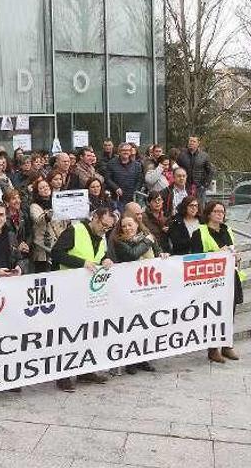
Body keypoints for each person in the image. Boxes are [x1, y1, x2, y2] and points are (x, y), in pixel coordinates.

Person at [50, 206, 116, 390]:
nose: (105, 229)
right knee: (66, 334)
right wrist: (81, 264)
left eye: (109, 227)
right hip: (67, 290)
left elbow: (98, 256)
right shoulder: (75, 230)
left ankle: (85, 370)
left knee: (86, 332)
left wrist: (105, 260)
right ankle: (62, 375)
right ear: (94, 218)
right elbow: (56, 253)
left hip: (88, 294)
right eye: (103, 225)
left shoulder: (101, 238)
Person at [112, 215, 167, 374]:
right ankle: (130, 361)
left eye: (130, 225)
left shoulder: (148, 238)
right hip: (131, 290)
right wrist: (148, 241)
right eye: (124, 226)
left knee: (147, 325)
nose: (127, 228)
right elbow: (132, 254)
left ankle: (144, 358)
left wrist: (163, 255)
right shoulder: (120, 242)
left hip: (150, 288)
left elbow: (158, 253)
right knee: (132, 326)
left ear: (137, 225)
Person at [190, 201, 244, 364]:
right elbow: (196, 257)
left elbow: (232, 248)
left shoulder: (227, 230)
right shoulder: (200, 232)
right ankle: (213, 349)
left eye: (222, 211)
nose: (220, 214)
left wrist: (236, 255)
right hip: (211, 281)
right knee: (214, 313)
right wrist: (217, 254)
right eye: (216, 211)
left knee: (230, 312)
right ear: (208, 214)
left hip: (230, 276)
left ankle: (227, 345)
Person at [29, 177, 70, 273]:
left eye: (47, 186)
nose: (45, 188)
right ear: (37, 192)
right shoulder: (34, 206)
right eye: (41, 188)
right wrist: (48, 215)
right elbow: (38, 220)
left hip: (58, 245)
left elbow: (66, 221)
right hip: (43, 248)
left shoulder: (58, 203)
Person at [176, 136, 215, 205]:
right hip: (185, 187)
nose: (191, 143)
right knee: (185, 207)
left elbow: (211, 171)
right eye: (190, 141)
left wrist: (205, 185)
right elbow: (176, 170)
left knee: (200, 209)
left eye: (194, 141)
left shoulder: (204, 156)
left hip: (199, 188)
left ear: (198, 143)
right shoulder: (181, 155)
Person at [106, 143, 144, 209]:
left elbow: (140, 180)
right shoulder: (111, 163)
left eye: (128, 150)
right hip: (116, 197)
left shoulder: (137, 165)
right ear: (119, 152)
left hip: (132, 198)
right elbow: (107, 179)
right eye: (123, 150)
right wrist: (116, 188)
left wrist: (135, 191)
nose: (126, 152)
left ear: (130, 152)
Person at [3, 189, 31, 271]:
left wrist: (27, 244)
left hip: (23, 255)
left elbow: (30, 232)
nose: (18, 201)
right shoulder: (3, 217)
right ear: (7, 202)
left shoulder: (24, 214)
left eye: (18, 198)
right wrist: (17, 247)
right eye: (13, 198)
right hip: (9, 256)